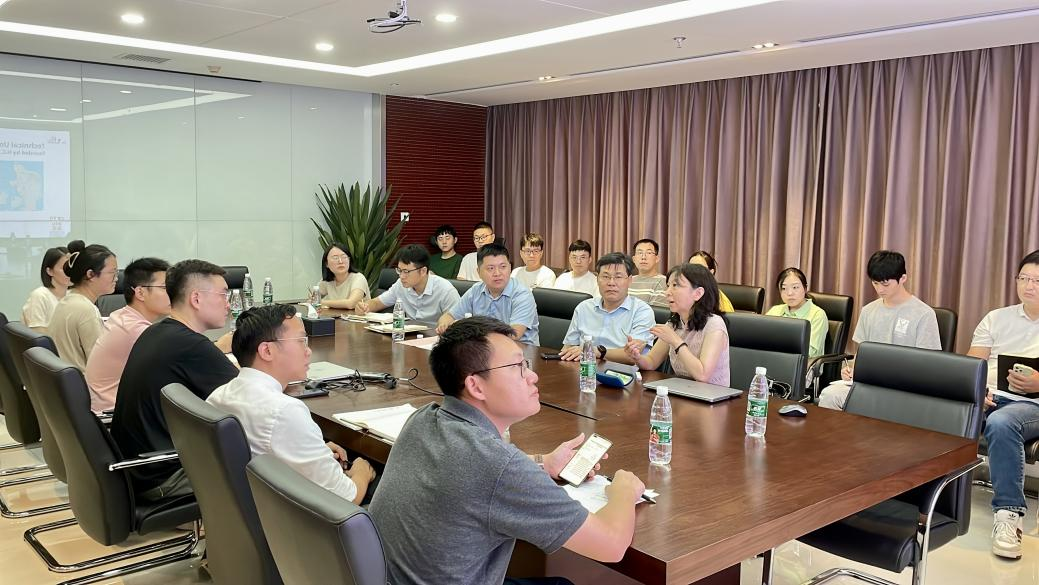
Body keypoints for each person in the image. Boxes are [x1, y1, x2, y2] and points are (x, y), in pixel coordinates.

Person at [369, 316, 645, 585]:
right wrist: (623, 491)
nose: (533, 376)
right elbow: (611, 545)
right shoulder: (500, 467)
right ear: (475, 386)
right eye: (518, 366)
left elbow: (477, 472)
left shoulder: (423, 419)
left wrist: (543, 463)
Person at [207, 305, 376, 505]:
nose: (308, 350)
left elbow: (265, 446)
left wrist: (313, 450)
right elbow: (345, 499)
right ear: (267, 350)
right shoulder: (284, 411)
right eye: (301, 341)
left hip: (246, 506)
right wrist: (362, 473)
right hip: (296, 518)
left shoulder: (219, 396)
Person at [111, 260, 240, 500]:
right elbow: (252, 396)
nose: (229, 303)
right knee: (267, 468)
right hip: (164, 476)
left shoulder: (157, 331)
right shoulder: (190, 346)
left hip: (136, 469)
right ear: (196, 299)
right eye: (223, 295)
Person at [967, 250, 1039, 560]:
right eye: (1024, 278)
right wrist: (977, 390)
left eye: (1038, 281)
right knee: (940, 410)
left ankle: (1009, 515)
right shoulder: (996, 318)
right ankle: (923, 495)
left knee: (1002, 422)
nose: (1029, 286)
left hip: (1031, 406)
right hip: (991, 396)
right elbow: (973, 364)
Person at [817, 250, 942, 410]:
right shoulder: (868, 311)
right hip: (870, 384)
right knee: (830, 395)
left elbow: (929, 366)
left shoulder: (923, 314)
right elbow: (861, 354)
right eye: (875, 283)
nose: (880, 289)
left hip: (905, 389)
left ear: (903, 278)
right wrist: (852, 370)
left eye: (885, 284)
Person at [84, 257, 170, 413]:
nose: (174, 293)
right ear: (140, 292)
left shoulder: (121, 316)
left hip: (108, 408)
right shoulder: (136, 330)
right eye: (165, 287)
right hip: (112, 415)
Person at [625, 263, 730, 386]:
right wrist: (637, 357)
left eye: (675, 285)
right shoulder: (674, 323)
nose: (667, 292)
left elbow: (703, 375)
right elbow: (651, 362)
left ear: (698, 293)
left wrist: (675, 341)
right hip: (682, 391)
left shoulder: (714, 324)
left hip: (712, 395)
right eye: (668, 286)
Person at [559, 253, 654, 364]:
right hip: (584, 370)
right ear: (597, 279)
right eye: (605, 277)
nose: (611, 283)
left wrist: (597, 351)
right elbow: (568, 347)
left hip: (622, 372)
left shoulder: (642, 311)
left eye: (618, 277)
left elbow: (633, 355)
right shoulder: (584, 308)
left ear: (629, 280)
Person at [437, 243, 540, 345]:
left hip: (521, 351)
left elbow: (514, 335)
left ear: (510, 268)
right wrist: (444, 325)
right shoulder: (476, 290)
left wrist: (471, 333)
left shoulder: (522, 294)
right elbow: (449, 316)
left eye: (503, 267)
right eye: (491, 268)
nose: (497, 273)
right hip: (484, 348)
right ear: (478, 272)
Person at [48, 240, 118, 371]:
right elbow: (100, 364)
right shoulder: (86, 310)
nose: (116, 278)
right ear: (90, 274)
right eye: (112, 272)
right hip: (84, 380)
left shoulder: (68, 299)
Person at [355, 245, 460, 322]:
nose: (401, 276)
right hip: (408, 337)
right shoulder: (401, 285)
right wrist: (364, 307)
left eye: (406, 271)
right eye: (399, 270)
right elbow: (378, 302)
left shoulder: (445, 290)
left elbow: (458, 322)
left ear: (423, 271)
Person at [764, 267, 828, 358]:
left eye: (795, 287)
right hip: (772, 360)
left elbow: (810, 352)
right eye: (784, 288)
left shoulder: (817, 315)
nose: (789, 293)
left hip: (803, 364)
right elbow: (761, 339)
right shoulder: (775, 310)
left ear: (805, 288)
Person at [21, 246, 70, 333]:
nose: (70, 273)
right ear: (49, 271)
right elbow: (38, 334)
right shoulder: (40, 296)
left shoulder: (73, 296)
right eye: (65, 268)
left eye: (72, 268)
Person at [317, 243, 370, 310]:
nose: (340, 261)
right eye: (335, 258)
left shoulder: (358, 278)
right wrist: (314, 299)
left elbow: (351, 304)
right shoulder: (327, 280)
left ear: (349, 260)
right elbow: (313, 298)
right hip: (336, 316)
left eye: (344, 257)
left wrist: (322, 302)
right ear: (326, 264)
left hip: (357, 316)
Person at [628, 239, 666, 306]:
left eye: (649, 253)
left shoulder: (663, 281)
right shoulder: (627, 280)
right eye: (640, 253)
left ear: (657, 259)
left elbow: (655, 311)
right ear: (634, 259)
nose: (643, 257)